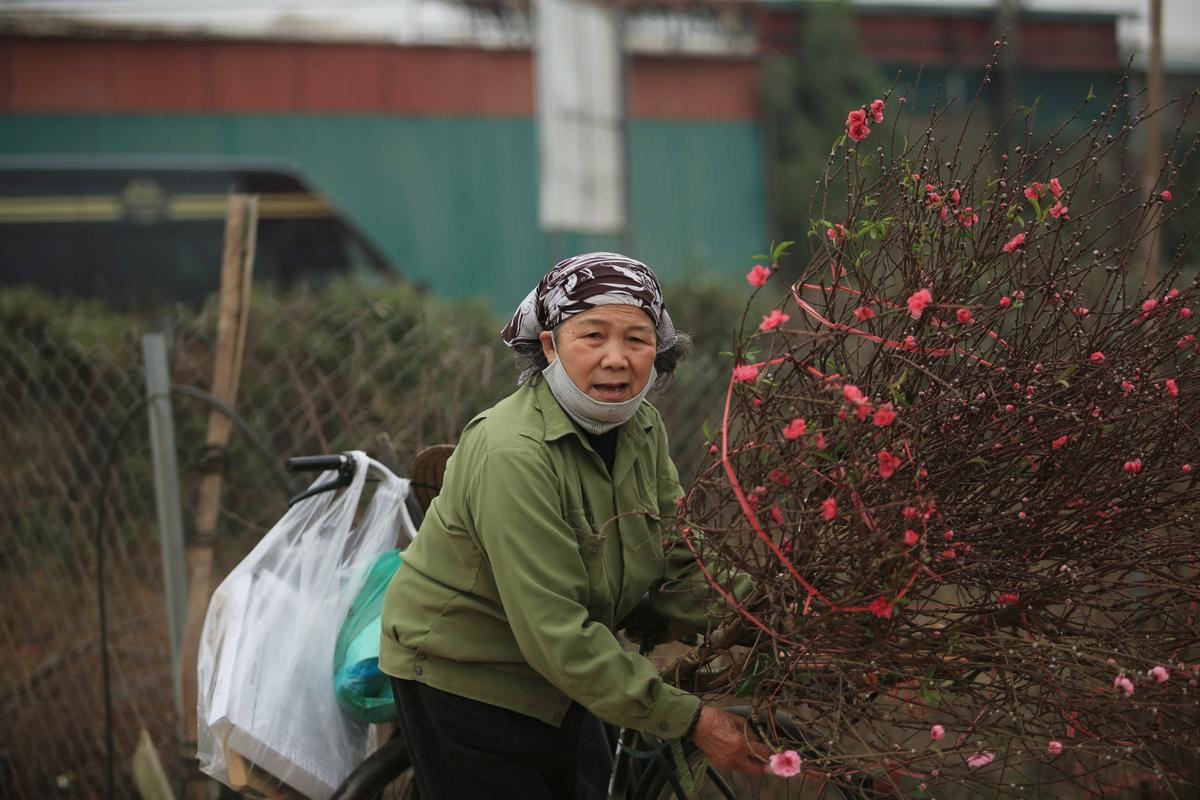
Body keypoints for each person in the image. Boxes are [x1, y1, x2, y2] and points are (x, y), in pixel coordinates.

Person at [379, 252, 768, 799]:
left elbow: (679, 552)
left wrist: (767, 617)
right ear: (549, 345)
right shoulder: (512, 452)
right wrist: (691, 719)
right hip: (465, 672)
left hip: (564, 670)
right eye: (593, 335)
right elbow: (553, 627)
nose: (617, 359)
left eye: (637, 339)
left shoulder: (641, 428)